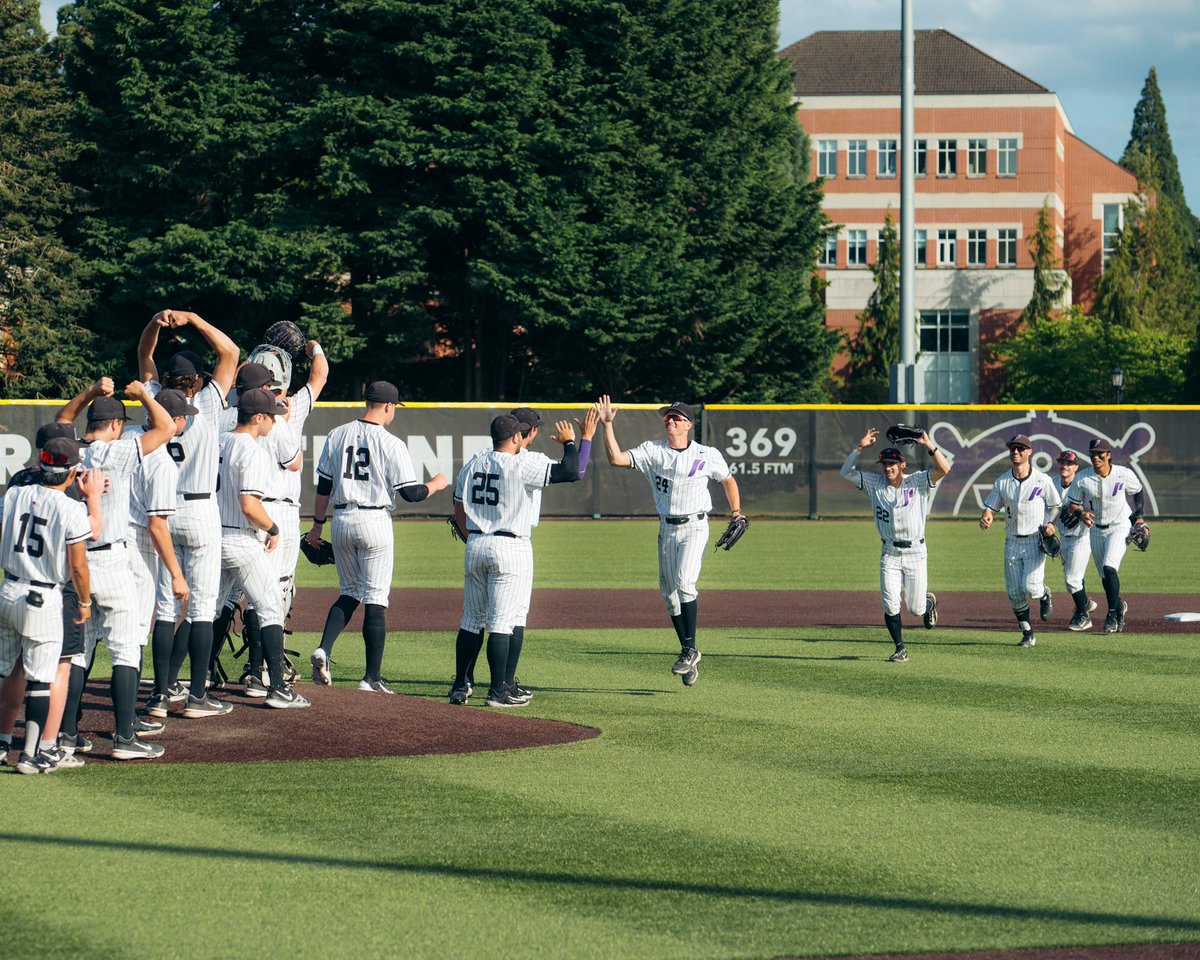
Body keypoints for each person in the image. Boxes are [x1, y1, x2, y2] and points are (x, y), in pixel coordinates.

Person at [55, 380, 176, 759]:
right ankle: (125, 738)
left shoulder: (68, 451)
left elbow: (62, 418)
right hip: (110, 559)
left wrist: (90, 393)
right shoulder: (119, 452)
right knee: (125, 648)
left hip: (75, 564)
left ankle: (68, 734)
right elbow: (166, 428)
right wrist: (144, 396)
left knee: (79, 652)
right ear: (116, 426)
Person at [307, 381, 449, 692]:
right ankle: (371, 678)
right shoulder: (391, 442)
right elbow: (411, 493)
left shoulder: (336, 434)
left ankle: (324, 649)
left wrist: (318, 526)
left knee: (350, 591)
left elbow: (324, 487)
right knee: (375, 597)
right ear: (388, 406)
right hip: (374, 520)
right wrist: (437, 483)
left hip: (341, 519)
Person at [596, 397, 740, 686]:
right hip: (666, 528)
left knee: (685, 583)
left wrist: (737, 512)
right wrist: (608, 426)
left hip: (695, 525)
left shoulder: (706, 453)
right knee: (668, 594)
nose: (670, 421)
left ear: (688, 424)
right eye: (667, 417)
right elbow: (617, 459)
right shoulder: (653, 451)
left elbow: (727, 480)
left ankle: (688, 650)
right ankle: (689, 650)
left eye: (676, 418)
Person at [139, 310, 239, 713]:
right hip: (200, 511)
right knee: (200, 607)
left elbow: (144, 352)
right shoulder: (210, 403)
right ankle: (197, 695)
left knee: (164, 607)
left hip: (162, 511)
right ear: (198, 379)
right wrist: (194, 319)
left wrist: (155, 325)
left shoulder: (156, 399)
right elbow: (230, 351)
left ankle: (161, 694)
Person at [448, 413, 583, 706]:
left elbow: (457, 503)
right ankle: (498, 692)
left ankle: (461, 685)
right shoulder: (522, 464)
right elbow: (572, 471)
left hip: (476, 542)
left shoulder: (473, 462)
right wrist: (570, 441)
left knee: (471, 619)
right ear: (515, 437)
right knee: (501, 621)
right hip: (510, 546)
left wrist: (468, 534)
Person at [0, 438, 94, 774]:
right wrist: (84, 602)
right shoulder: (71, 508)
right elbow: (79, 567)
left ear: (40, 465)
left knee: (7, 670)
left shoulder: (14, 495)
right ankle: (30, 755)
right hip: (43, 596)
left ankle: (2, 743)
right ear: (72, 472)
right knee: (40, 678)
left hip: (9, 587)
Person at [217, 387, 306, 708]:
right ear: (258, 417)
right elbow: (249, 504)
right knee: (269, 605)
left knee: (203, 612)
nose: (275, 421)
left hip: (215, 533)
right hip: (242, 536)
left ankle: (176, 687)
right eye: (271, 416)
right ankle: (274, 686)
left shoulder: (219, 439)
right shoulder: (250, 448)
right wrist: (272, 528)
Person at [841, 429, 950, 662]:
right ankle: (900, 647)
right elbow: (845, 472)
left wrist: (929, 445)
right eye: (884, 463)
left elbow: (944, 469)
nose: (887, 467)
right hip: (889, 552)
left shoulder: (918, 481)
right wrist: (859, 448)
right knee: (890, 603)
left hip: (915, 552)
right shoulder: (874, 483)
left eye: (892, 463)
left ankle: (929, 602)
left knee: (915, 609)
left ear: (903, 465)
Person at [979, 434, 1061, 648]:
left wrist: (1051, 523)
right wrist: (986, 515)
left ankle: (1044, 594)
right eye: (1013, 448)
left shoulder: (1043, 480)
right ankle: (1027, 632)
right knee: (1015, 593)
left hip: (1035, 540)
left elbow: (1055, 506)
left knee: (1032, 588)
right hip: (1012, 542)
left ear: (1029, 452)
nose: (1016, 452)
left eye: (1020, 448)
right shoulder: (1002, 481)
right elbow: (991, 506)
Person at [1064, 438, 1146, 634]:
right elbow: (1072, 504)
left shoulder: (1123, 474)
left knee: (1110, 568)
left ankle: (1111, 615)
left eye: (1100, 454)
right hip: (1096, 530)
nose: (1096, 457)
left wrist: (1140, 518)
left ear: (1109, 455)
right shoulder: (1083, 478)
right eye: (1092, 454)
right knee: (1105, 576)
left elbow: (1138, 490)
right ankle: (1119, 607)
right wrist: (1080, 513)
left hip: (1119, 525)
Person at [1054, 451, 1098, 632]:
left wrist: (1082, 512)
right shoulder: (1051, 484)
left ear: (1076, 467)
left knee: (1072, 579)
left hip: (1082, 537)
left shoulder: (1083, 484)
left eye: (1069, 463)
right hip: (1063, 537)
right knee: (1072, 578)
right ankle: (1088, 603)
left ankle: (1083, 615)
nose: (1065, 466)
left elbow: (1095, 506)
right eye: (1062, 462)